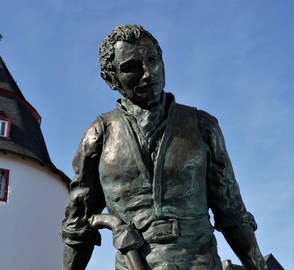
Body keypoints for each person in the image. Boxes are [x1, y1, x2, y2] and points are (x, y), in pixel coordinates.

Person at [61, 25, 267, 270]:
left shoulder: (202, 126)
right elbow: (78, 226)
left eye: (152, 60)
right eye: (131, 67)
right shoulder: (99, 135)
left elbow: (231, 213)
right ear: (111, 78)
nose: (148, 74)